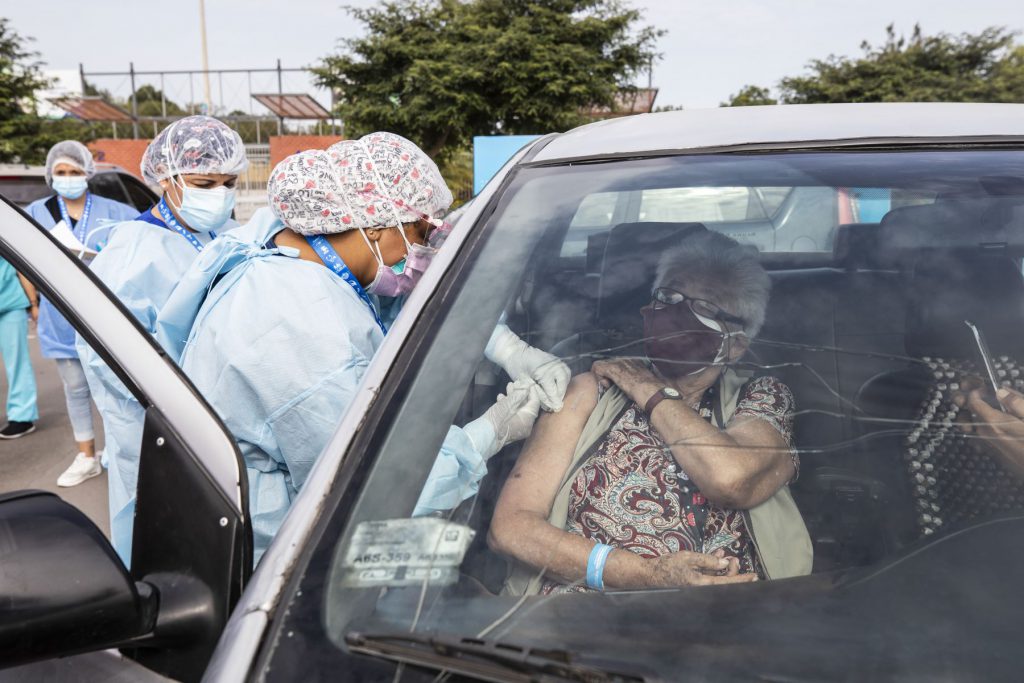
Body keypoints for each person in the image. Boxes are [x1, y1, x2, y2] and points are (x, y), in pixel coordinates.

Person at [157, 133, 569, 563]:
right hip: (273, 554)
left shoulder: (297, 257)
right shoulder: (297, 322)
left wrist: (508, 348)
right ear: (375, 225)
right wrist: (490, 433)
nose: (424, 252)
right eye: (421, 232)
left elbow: (404, 309)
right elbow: (376, 483)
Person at [490, 230, 812, 595]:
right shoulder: (592, 389)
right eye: (669, 297)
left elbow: (730, 480)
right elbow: (510, 528)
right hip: (580, 613)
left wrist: (646, 387)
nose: (678, 313)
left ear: (736, 345)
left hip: (728, 615)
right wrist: (645, 574)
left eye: (706, 307)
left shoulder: (762, 396)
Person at [76, 115, 248, 563]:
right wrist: (167, 411)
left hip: (227, 413)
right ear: (167, 178)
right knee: (161, 537)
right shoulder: (132, 250)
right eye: (205, 183)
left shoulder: (227, 235)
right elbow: (106, 358)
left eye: (229, 183)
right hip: (160, 424)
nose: (220, 194)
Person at [23, 140, 138, 484]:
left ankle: (121, 451)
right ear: (51, 175)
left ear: (87, 172)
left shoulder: (116, 211)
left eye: (74, 171)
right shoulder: (37, 212)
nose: (68, 177)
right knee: (75, 387)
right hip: (59, 314)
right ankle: (86, 455)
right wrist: (34, 303)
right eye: (60, 172)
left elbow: (137, 251)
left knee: (115, 388)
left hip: (106, 313)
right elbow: (25, 264)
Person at [0, 260, 39, 439]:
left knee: (17, 362)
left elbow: (20, 267)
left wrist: (33, 303)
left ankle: (22, 417)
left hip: (10, 304)